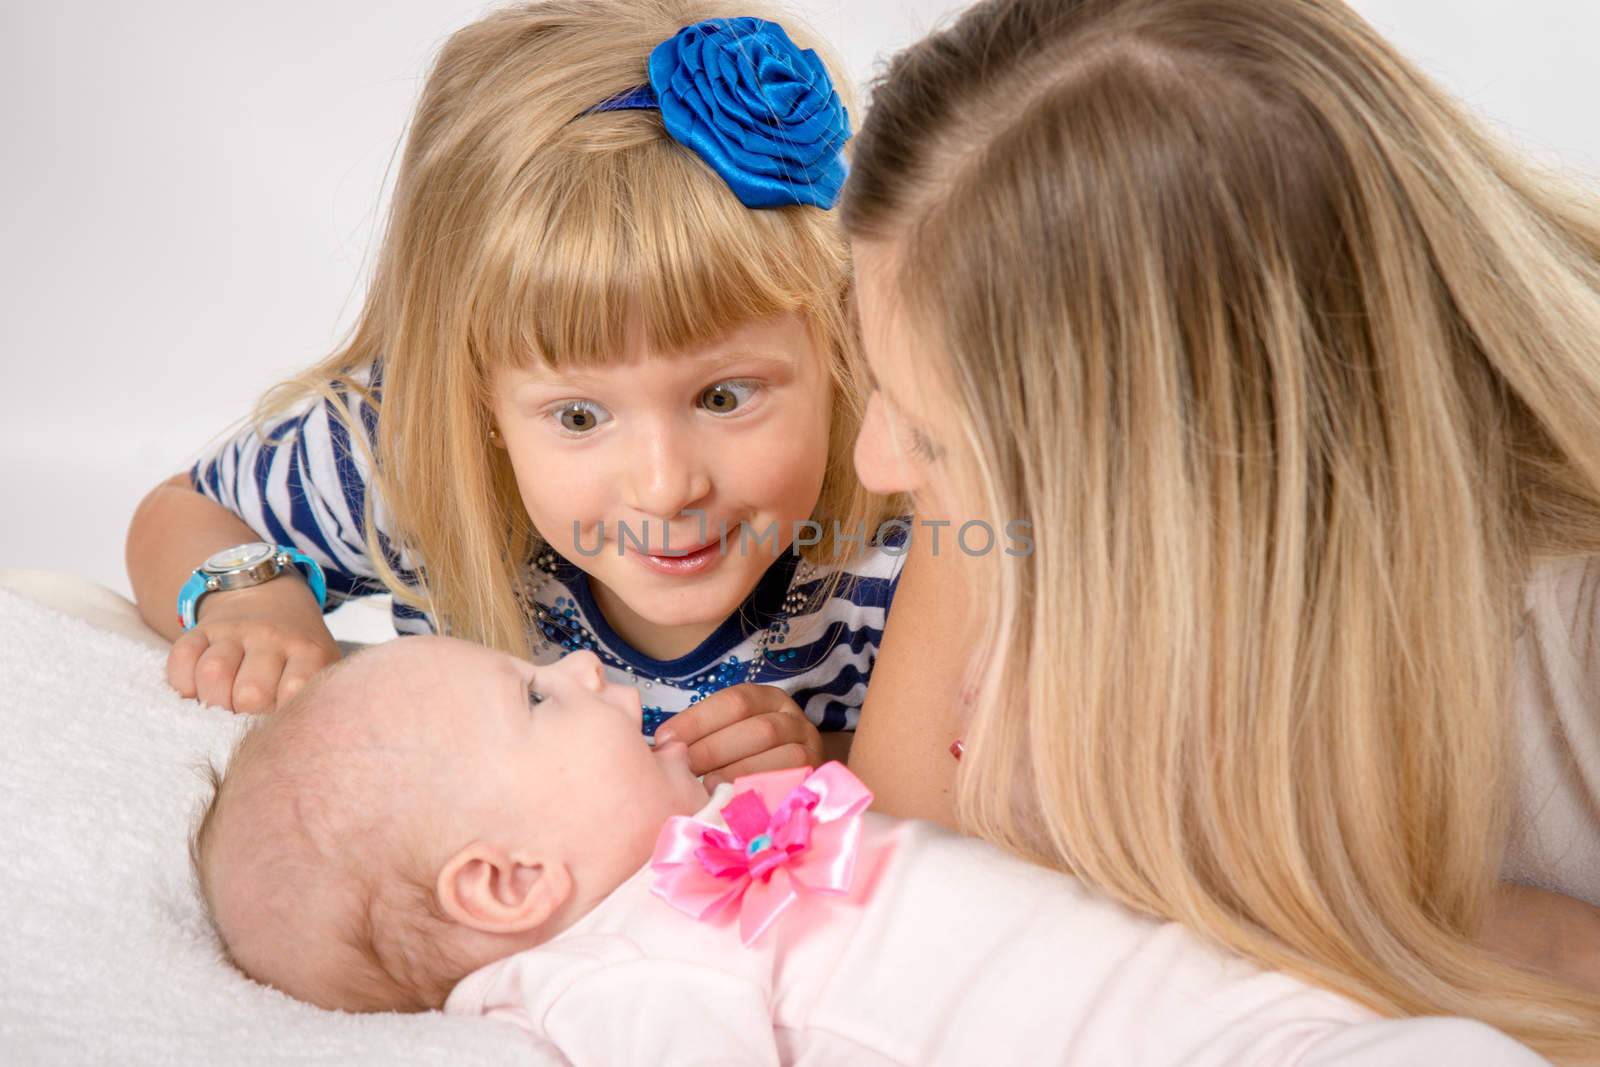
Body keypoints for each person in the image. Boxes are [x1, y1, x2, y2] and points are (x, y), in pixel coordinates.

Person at [839, 0, 1600, 1058]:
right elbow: (894, 905)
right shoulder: (998, 503)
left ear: (1190, 473)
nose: (876, 462)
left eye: (926, 436)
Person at [124, 1, 905, 787]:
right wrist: (254, 600)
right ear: (478, 399)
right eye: (578, 415)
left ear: (841, 340)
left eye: (725, 398)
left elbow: (980, 774)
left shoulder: (904, 532)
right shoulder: (406, 457)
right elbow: (182, 511)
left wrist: (833, 759)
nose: (667, 486)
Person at [191, 637, 1540, 1065]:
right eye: (538, 695)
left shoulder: (691, 851)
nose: (586, 665)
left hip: (1228, 997)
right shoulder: (621, 968)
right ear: (509, 881)